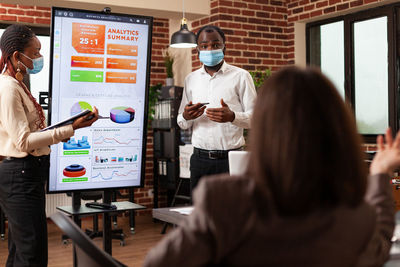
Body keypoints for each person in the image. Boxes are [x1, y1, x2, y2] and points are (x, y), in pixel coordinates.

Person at [144, 66, 398, 267]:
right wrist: (380, 174)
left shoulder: (227, 205)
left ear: (266, 128)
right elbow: (380, 242)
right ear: (340, 128)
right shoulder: (356, 216)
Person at [0, 24, 98, 267]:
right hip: (19, 174)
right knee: (31, 254)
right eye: (34, 53)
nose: (39, 58)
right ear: (16, 56)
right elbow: (23, 142)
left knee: (22, 249)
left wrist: (68, 127)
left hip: (27, 173)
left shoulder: (18, 84)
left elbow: (31, 133)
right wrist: (71, 128)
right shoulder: (9, 88)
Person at [177, 25, 257, 192]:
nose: (210, 49)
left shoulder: (241, 76)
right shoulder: (191, 79)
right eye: (204, 46)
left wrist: (233, 116)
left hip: (231, 160)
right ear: (197, 50)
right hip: (199, 161)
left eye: (215, 45)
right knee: (199, 213)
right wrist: (186, 116)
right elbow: (182, 122)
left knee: (234, 214)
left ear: (224, 47)